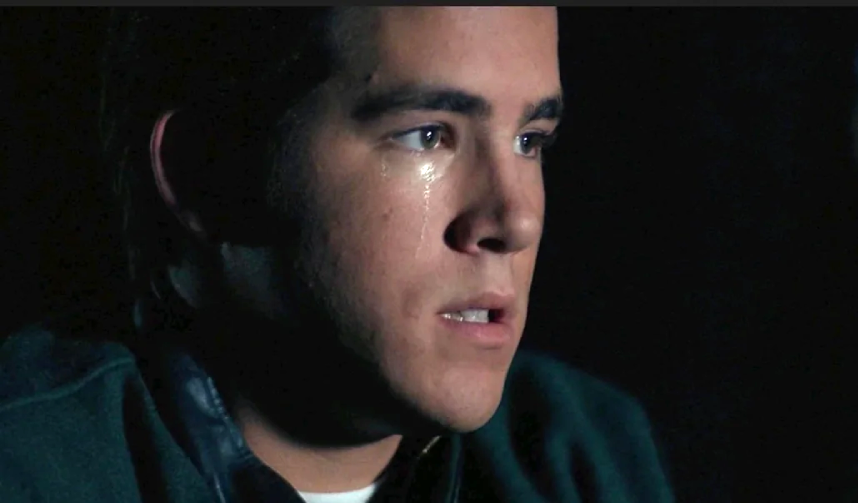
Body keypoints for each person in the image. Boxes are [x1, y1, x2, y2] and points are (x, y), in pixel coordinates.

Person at [0, 7, 674, 502]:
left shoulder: (586, 455)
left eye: (531, 140)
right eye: (426, 135)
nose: (515, 219)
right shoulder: (29, 465)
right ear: (207, 173)